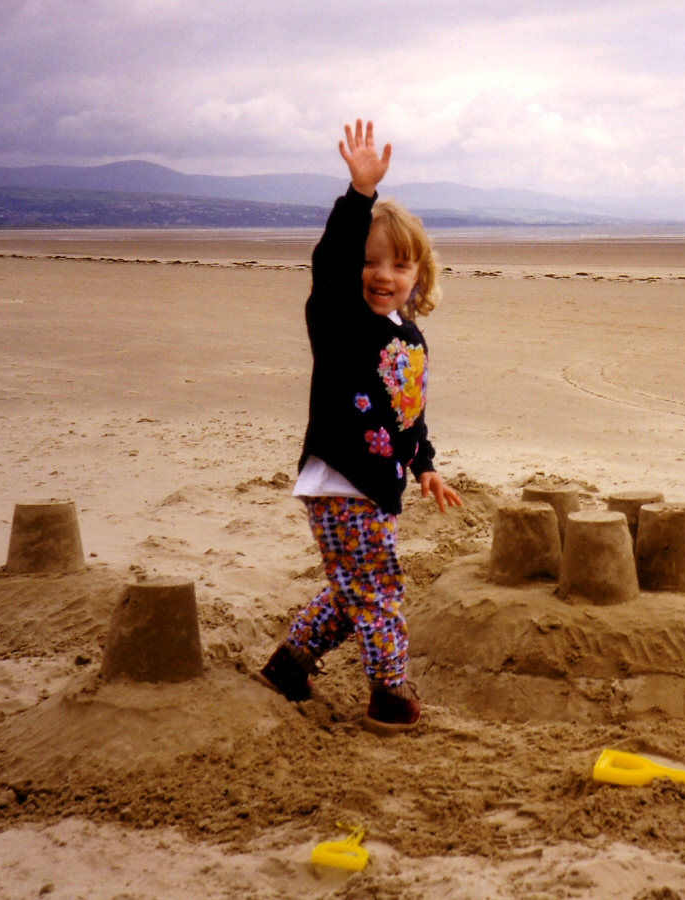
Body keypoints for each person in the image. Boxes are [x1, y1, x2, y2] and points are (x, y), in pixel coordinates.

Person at [256, 119, 462, 734]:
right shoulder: (340, 319)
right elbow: (332, 259)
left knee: (355, 592)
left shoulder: (408, 336)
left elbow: (409, 411)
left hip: (378, 484)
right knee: (379, 590)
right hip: (342, 478)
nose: (382, 275)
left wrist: (424, 464)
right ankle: (389, 695)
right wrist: (360, 195)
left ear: (418, 276)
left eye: (400, 265)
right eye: (371, 263)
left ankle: (290, 665)